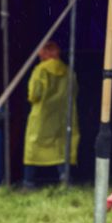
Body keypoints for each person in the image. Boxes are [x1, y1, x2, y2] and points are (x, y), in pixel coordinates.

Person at [23, 38, 76, 188]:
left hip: (42, 115)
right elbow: (74, 91)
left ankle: (28, 182)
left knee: (33, 149)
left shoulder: (40, 70)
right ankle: (65, 178)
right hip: (63, 115)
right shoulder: (68, 71)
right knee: (60, 148)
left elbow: (34, 94)